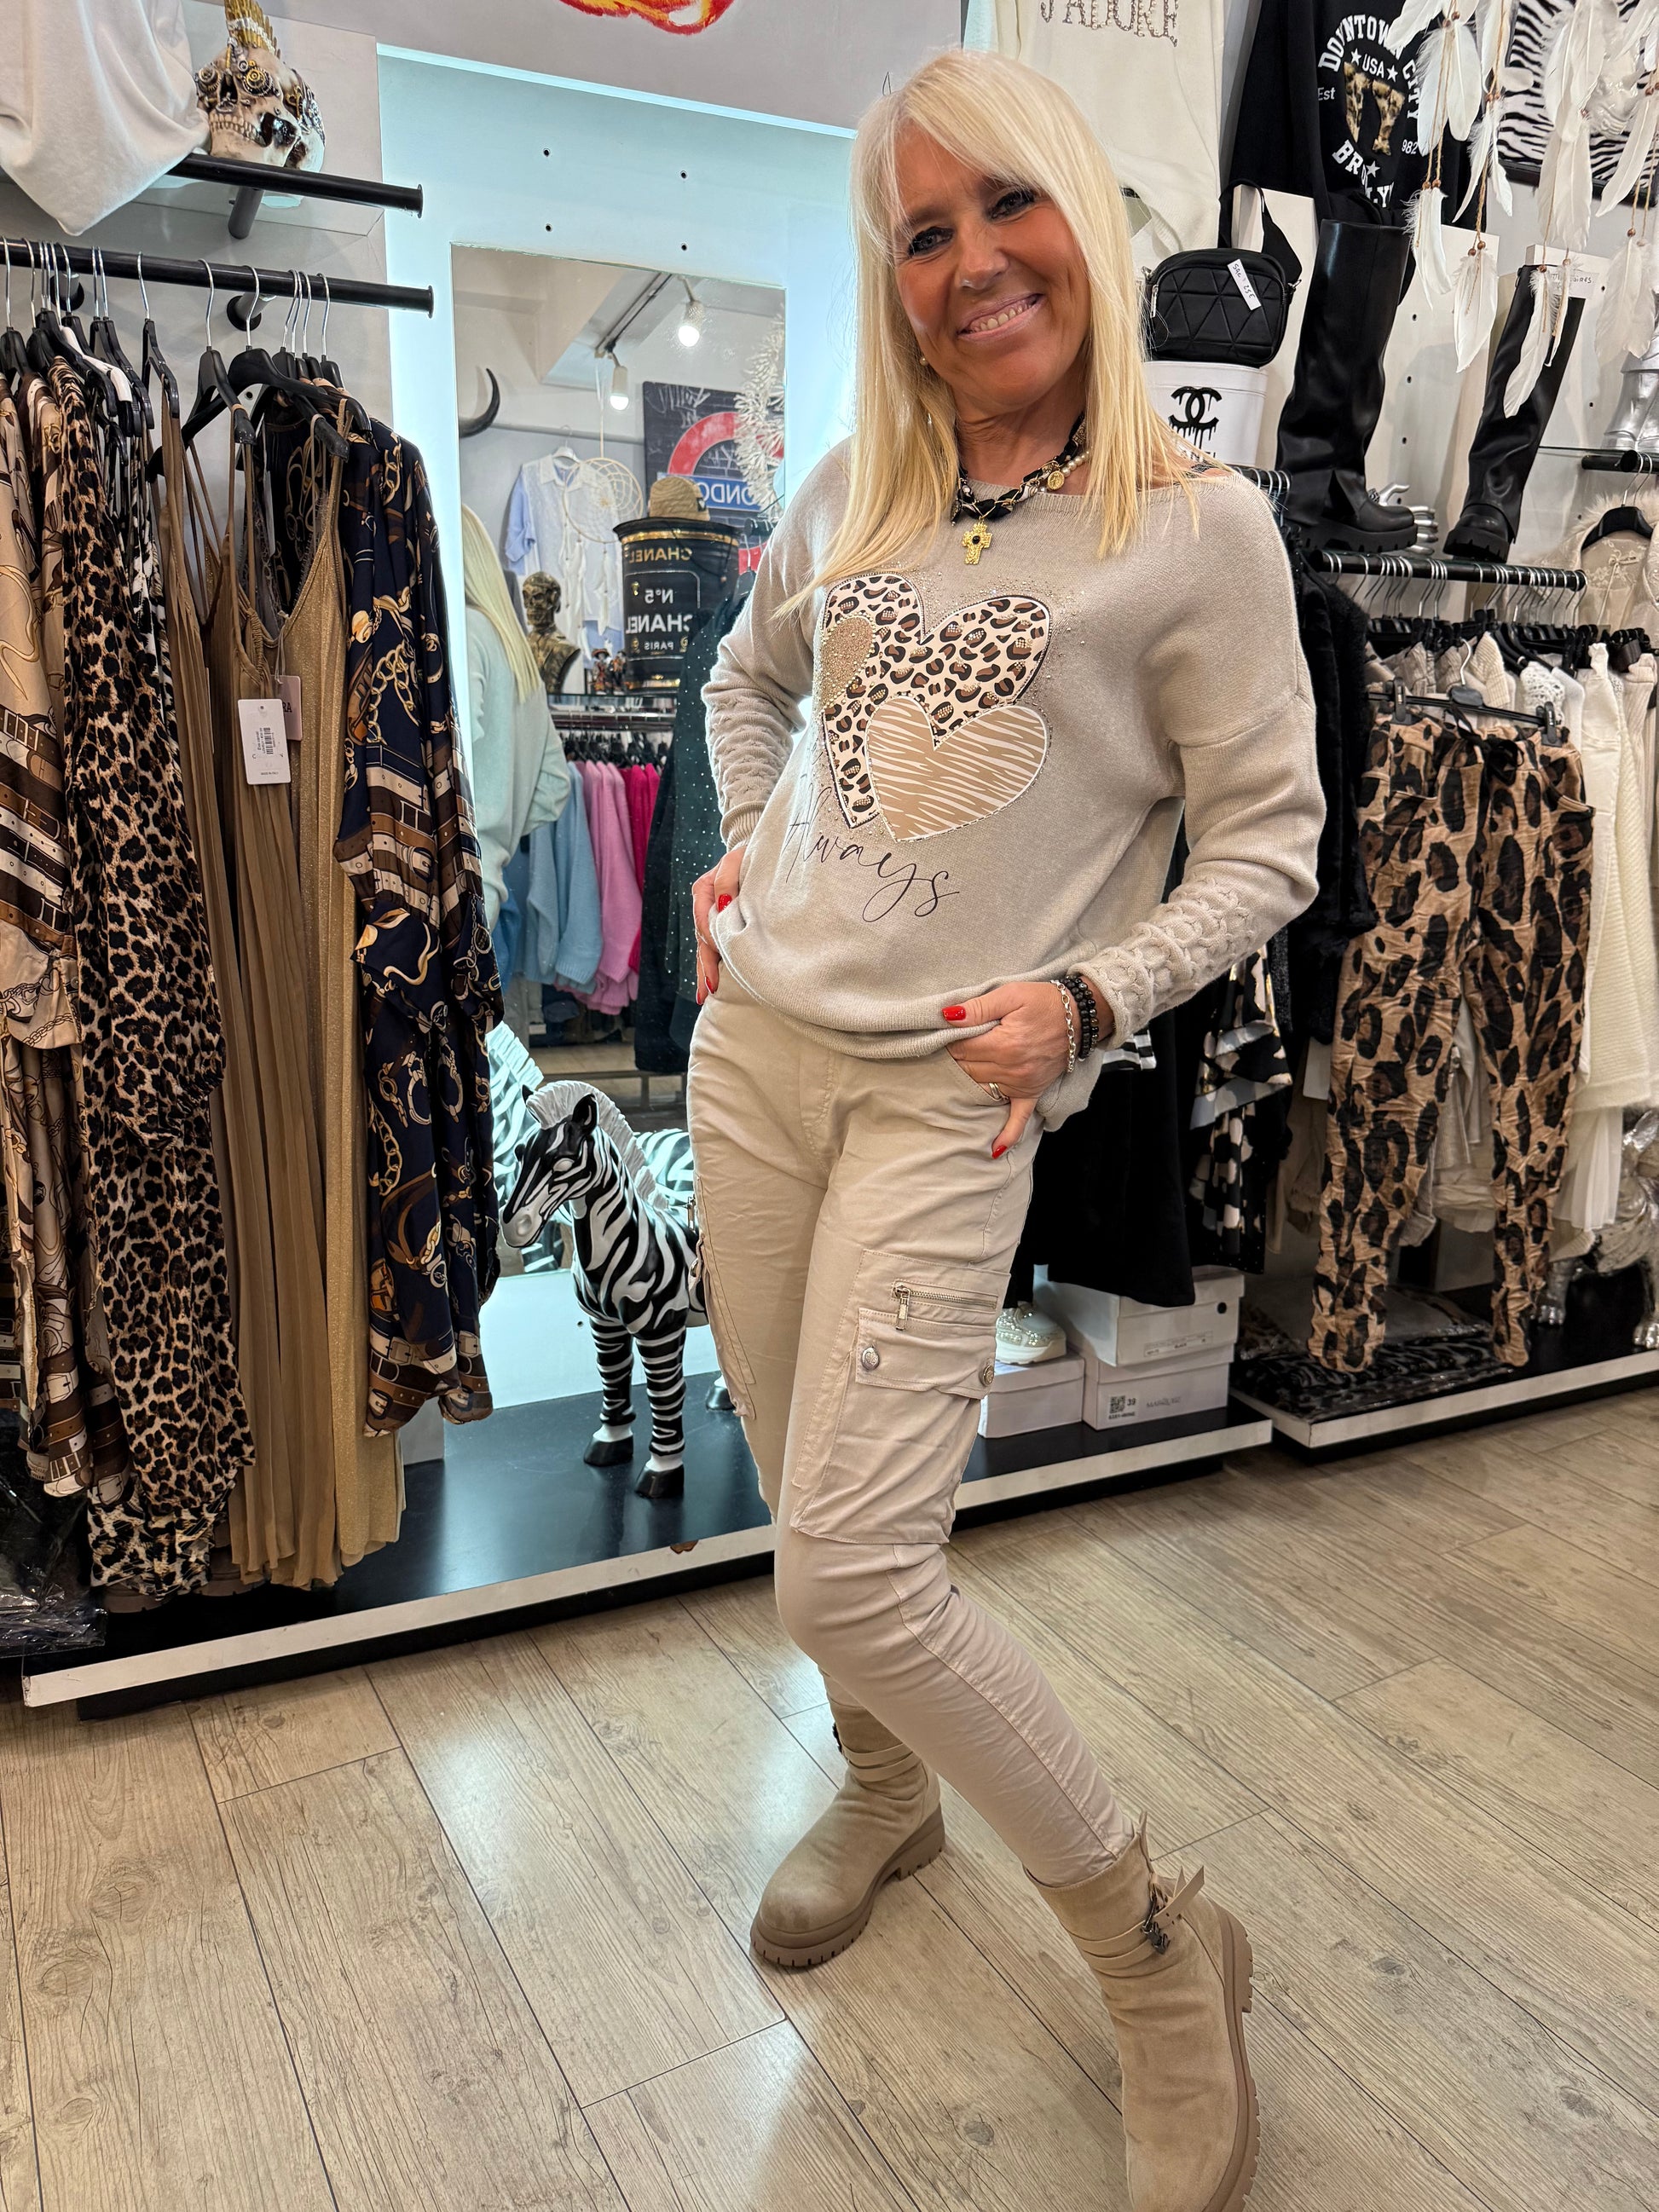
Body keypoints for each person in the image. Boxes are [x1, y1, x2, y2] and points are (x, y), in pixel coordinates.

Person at [688, 49, 1321, 2212]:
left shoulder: (1196, 531)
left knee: (854, 1564)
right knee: (800, 1482)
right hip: (756, 1058)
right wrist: (739, 846)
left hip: (949, 1097)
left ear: (1084, 218)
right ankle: (888, 1792)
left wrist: (1093, 995)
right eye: (924, 233)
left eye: (1007, 208)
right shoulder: (854, 488)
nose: (973, 263)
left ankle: (1154, 1947)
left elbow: (1273, 846)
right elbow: (745, 683)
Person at [460, 502, 570, 931]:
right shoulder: (516, 648)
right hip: (491, 882)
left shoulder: (467, 631)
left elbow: (460, 747)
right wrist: (502, 826)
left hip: (459, 889)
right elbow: (555, 785)